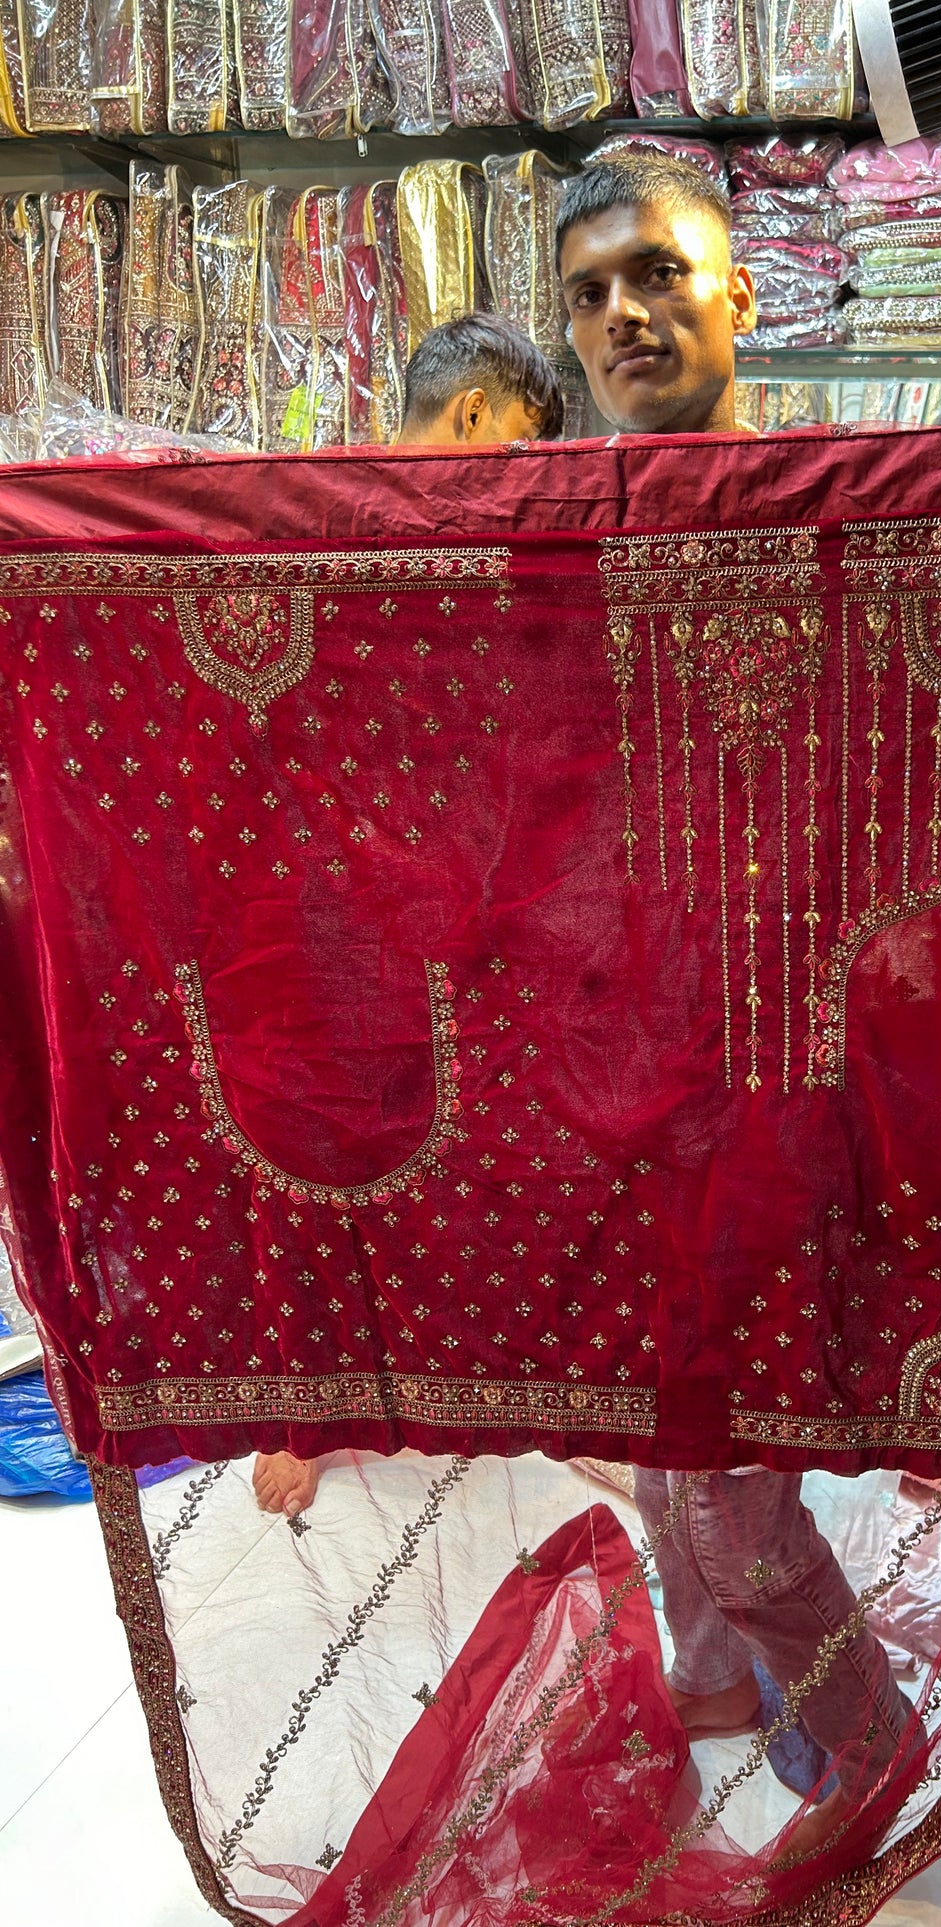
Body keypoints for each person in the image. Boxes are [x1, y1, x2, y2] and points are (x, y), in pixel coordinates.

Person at [555, 152, 913, 1861]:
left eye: (661, 275)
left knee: (731, 1468)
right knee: (654, 1428)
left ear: (741, 295)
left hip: (778, 1077)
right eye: (592, 292)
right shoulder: (549, 538)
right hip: (607, 1066)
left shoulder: (841, 510)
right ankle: (709, 1689)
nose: (627, 311)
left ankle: (872, 1747)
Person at [251, 313, 563, 1523]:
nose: (522, 484)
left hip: (429, 897)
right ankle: (313, 1415)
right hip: (321, 915)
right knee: (311, 1158)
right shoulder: (314, 519)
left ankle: (429, 1373)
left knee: (438, 1141)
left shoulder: (340, 520)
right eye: (522, 453)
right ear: (476, 418)